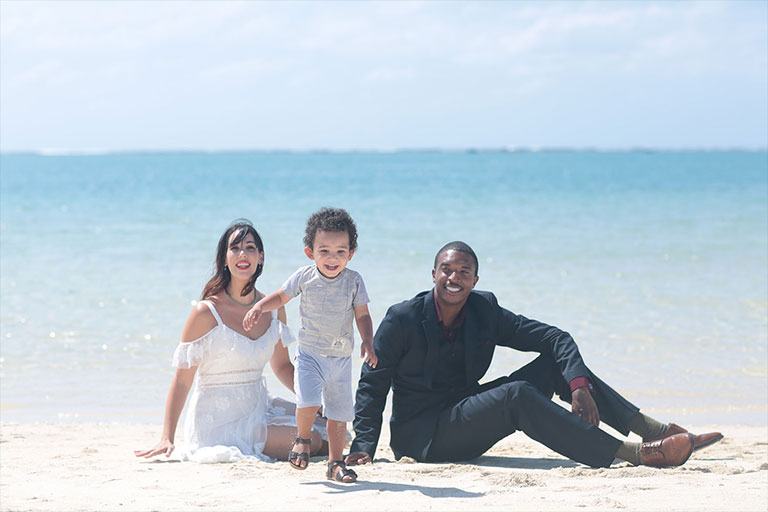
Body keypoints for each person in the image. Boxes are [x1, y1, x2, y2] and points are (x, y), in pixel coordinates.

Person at [346, 241, 723, 469]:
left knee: (553, 365)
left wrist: (578, 387)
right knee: (516, 395)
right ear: (432, 274)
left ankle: (657, 431)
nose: (454, 278)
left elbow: (556, 338)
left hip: (464, 411)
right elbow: (373, 383)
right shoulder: (403, 318)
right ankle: (634, 454)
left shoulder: (484, 310)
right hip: (424, 436)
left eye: (464, 272)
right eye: (446, 270)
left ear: (475, 281)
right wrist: (364, 445)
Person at [135, 220, 327, 463]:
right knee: (313, 440)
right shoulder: (206, 312)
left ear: (260, 257)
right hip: (219, 422)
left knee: (327, 424)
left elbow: (282, 367)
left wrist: (310, 400)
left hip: (258, 408)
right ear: (224, 259)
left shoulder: (273, 308)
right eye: (234, 248)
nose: (242, 254)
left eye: (249, 247)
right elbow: (183, 380)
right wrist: (167, 436)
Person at [243, 207, 377, 483]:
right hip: (309, 355)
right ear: (310, 252)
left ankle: (336, 463)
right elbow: (281, 296)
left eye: (341, 251)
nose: (332, 258)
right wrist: (259, 306)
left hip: (340, 358)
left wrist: (368, 341)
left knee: (338, 414)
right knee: (308, 401)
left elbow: (362, 314)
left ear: (351, 254)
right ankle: (302, 440)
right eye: (324, 250)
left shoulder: (354, 281)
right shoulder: (304, 276)